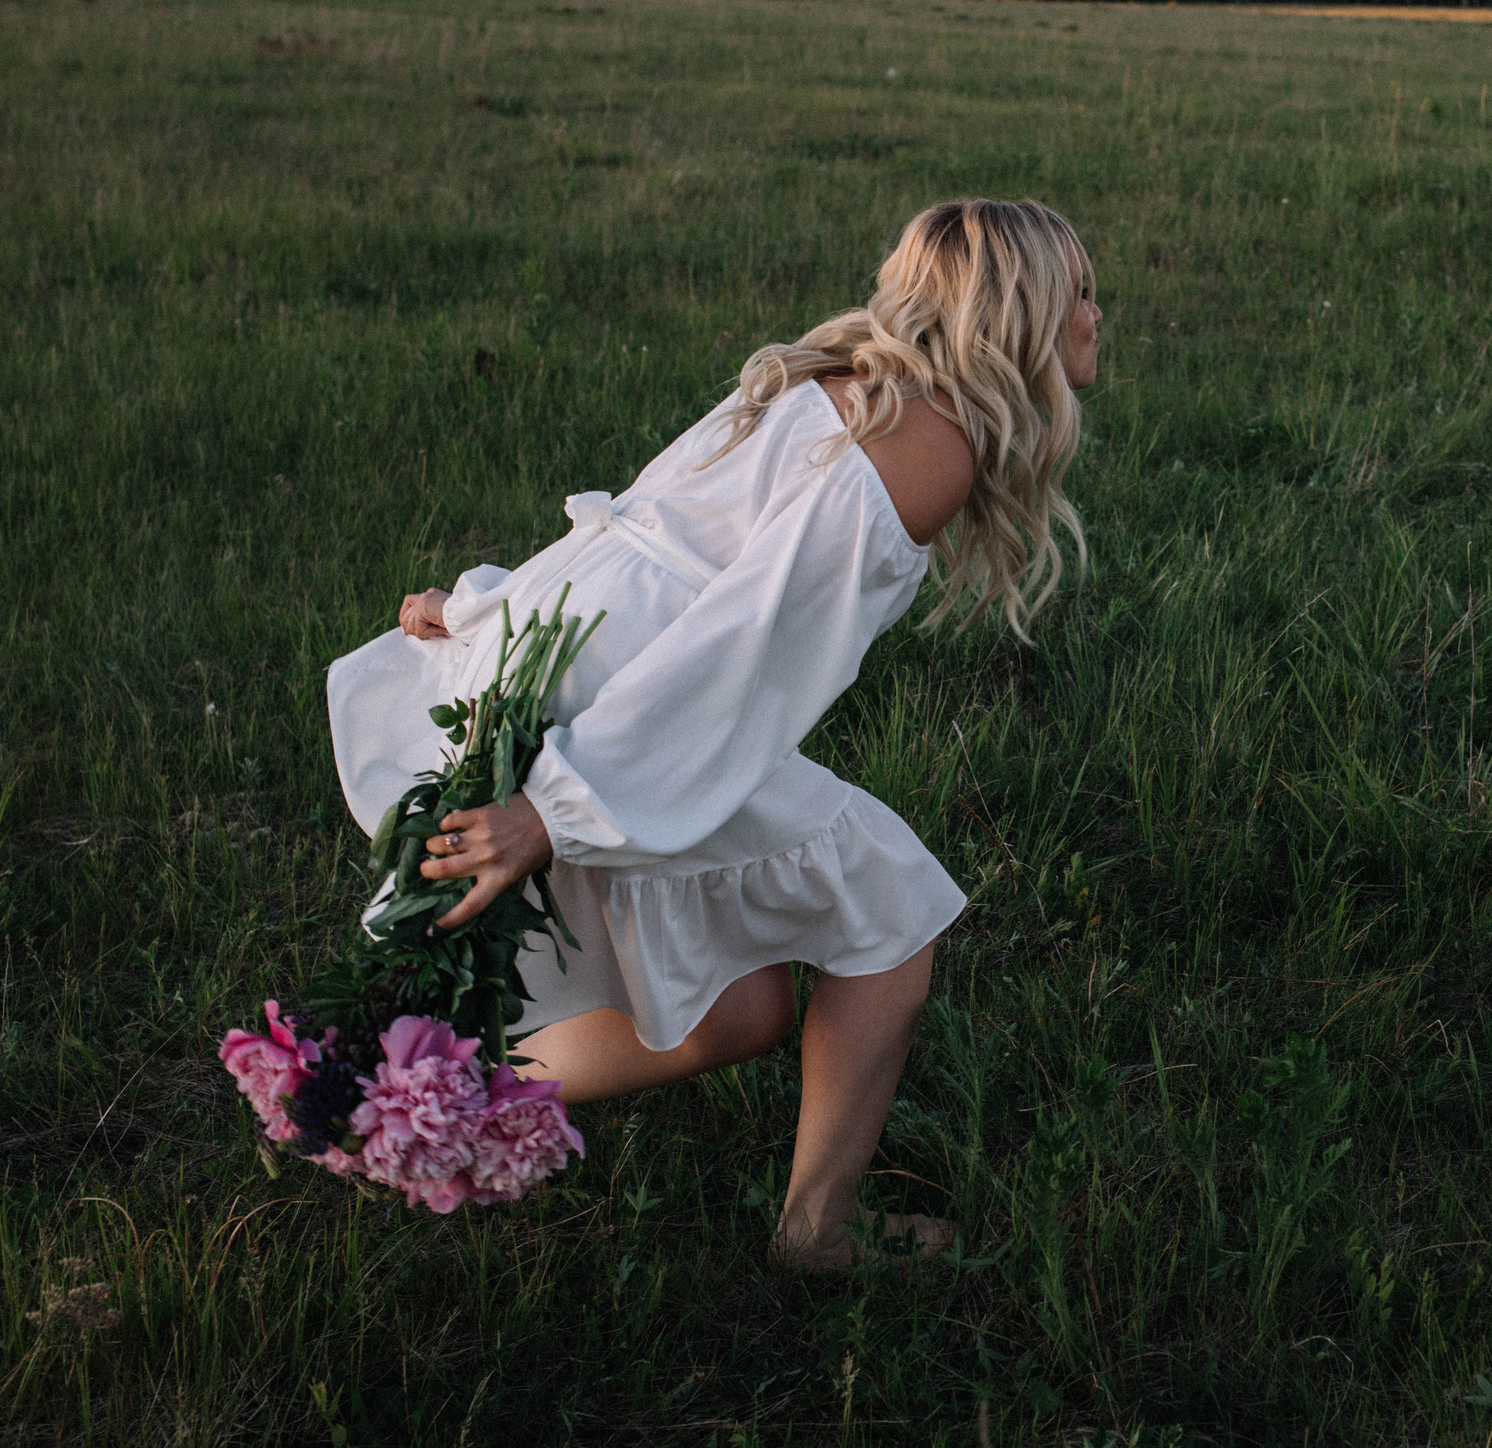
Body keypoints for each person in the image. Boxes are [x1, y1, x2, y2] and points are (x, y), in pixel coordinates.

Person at [326, 199, 1102, 1267]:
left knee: (734, 1011)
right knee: (895, 914)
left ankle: (420, 1104)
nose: (1097, 315)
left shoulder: (839, 380)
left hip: (587, 665)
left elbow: (644, 532)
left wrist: (485, 613)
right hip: (635, 705)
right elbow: (740, 639)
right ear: (1019, 314)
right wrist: (556, 807)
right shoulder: (929, 445)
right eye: (1081, 292)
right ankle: (818, 1231)